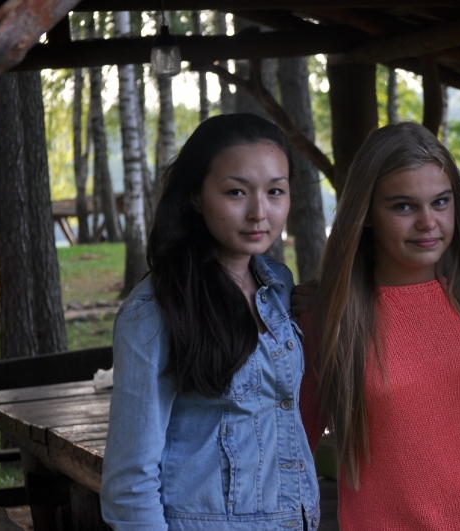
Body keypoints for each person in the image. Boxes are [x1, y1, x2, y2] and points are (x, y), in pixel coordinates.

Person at [100, 113, 320, 531]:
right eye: (236, 192)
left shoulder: (277, 286)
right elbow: (129, 483)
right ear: (196, 197)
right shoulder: (157, 309)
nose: (259, 212)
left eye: (275, 191)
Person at [299, 121, 460, 530]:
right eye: (403, 206)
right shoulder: (330, 317)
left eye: (440, 202)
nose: (427, 222)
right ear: (366, 213)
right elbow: (288, 450)